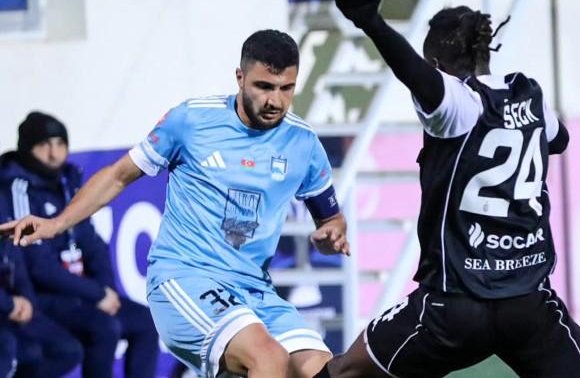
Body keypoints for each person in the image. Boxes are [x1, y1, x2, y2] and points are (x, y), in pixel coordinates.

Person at [1, 29, 350, 378]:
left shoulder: (303, 142)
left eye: (286, 88)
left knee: (323, 370)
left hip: (255, 291)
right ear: (240, 78)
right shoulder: (192, 121)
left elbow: (331, 218)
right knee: (268, 359)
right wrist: (56, 224)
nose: (275, 100)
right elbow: (119, 175)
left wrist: (332, 234)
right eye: (264, 87)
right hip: (185, 279)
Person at [312, 0, 580, 378]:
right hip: (527, 304)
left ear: (437, 65)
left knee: (346, 370)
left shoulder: (457, 103)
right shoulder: (530, 95)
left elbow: (414, 74)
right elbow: (560, 140)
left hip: (453, 310)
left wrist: (372, 23)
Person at [0, 112, 159, 378]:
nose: (54, 154)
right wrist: (96, 294)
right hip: (47, 297)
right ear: (27, 148)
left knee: (145, 322)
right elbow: (38, 266)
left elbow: (93, 244)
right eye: (44, 145)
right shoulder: (17, 189)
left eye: (60, 144)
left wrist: (107, 290)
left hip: (82, 292)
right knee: (103, 329)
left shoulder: (68, 181)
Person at [0, 189, 82, 378]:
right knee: (11, 347)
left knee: (67, 350)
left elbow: (14, 254)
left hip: (12, 307)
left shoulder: (1, 201)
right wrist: (10, 304)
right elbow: (41, 268)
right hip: (6, 307)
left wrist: (26, 300)